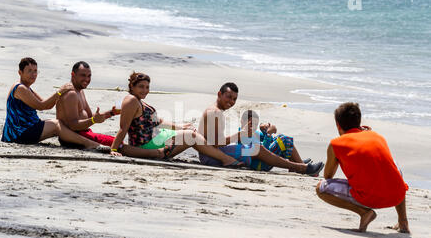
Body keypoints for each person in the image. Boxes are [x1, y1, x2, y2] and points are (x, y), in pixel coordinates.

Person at [109, 71, 243, 167]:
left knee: (192, 132)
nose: (145, 90)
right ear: (132, 87)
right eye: (141, 87)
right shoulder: (131, 101)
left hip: (158, 138)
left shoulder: (139, 101)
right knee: (192, 136)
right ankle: (226, 159)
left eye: (147, 87)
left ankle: (216, 154)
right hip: (148, 144)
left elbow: (158, 121)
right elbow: (123, 127)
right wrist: (114, 149)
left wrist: (180, 126)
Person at [316, 102, 409, 233]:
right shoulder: (377, 136)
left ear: (338, 124)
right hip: (396, 195)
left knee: (321, 187)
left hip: (368, 198)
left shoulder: (335, 144)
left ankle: (364, 213)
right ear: (359, 121)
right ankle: (403, 221)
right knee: (393, 166)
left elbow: (328, 176)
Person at [197, 82, 324, 176]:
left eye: (234, 99)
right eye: (228, 97)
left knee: (258, 148)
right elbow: (216, 143)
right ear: (220, 94)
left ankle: (299, 165)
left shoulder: (215, 111)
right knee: (257, 149)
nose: (231, 102)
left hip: (212, 153)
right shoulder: (215, 112)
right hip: (212, 157)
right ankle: (301, 167)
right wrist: (240, 134)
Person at [1, 57, 103, 150]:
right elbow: (41, 106)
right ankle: (89, 143)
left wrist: (62, 96)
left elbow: (47, 105)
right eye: (29, 71)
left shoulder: (27, 88)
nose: (33, 74)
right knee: (56, 125)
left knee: (58, 123)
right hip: (18, 134)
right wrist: (59, 92)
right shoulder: (20, 88)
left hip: (28, 128)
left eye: (35, 71)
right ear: (20, 72)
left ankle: (83, 141)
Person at [238, 110, 314, 171]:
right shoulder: (242, 135)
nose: (253, 126)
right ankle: (301, 166)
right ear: (242, 121)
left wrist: (264, 130)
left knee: (280, 137)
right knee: (283, 140)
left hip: (265, 160)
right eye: (250, 123)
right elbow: (264, 153)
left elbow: (271, 141)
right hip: (260, 165)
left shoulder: (254, 132)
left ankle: (296, 163)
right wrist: (268, 134)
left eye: (255, 124)